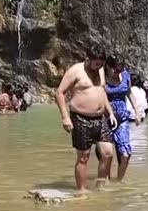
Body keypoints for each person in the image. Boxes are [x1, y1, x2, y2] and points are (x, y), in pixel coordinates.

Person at [55, 52, 118, 194]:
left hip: (100, 118)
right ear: (88, 59)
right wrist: (65, 117)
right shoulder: (75, 71)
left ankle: (100, 186)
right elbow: (59, 93)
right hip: (80, 118)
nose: (98, 67)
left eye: (101, 64)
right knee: (83, 156)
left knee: (107, 153)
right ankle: (82, 190)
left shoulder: (100, 70)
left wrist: (110, 112)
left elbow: (101, 92)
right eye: (96, 64)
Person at [104, 57, 142, 180]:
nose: (117, 73)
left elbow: (129, 93)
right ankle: (106, 180)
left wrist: (137, 112)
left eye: (119, 70)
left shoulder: (125, 75)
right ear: (108, 67)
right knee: (106, 154)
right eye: (115, 70)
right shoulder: (102, 77)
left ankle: (119, 181)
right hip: (105, 119)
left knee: (126, 153)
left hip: (122, 119)